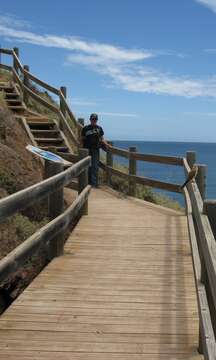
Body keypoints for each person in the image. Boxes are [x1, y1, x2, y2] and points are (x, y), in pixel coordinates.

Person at [81, 113, 108, 187]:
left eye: (95, 119)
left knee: (95, 166)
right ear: (90, 119)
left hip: (96, 149)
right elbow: (82, 139)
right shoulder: (85, 128)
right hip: (87, 149)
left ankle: (94, 183)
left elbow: (102, 138)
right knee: (88, 166)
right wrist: (81, 148)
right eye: (93, 119)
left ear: (97, 120)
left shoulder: (99, 128)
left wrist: (106, 145)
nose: (94, 120)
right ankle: (88, 182)